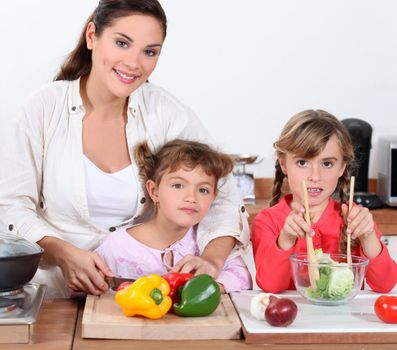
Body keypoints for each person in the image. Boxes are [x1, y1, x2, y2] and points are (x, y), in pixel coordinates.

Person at [0, 0, 249, 298]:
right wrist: (62, 252)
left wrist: (211, 259)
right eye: (122, 43)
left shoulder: (166, 113)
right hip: (54, 299)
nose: (134, 63)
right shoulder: (43, 109)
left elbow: (224, 196)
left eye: (149, 51)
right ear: (92, 36)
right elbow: (11, 206)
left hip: (144, 298)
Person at [251, 109, 397, 293]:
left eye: (327, 163)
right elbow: (270, 285)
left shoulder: (355, 216)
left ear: (342, 167)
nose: (315, 176)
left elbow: (386, 284)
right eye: (303, 163)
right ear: (283, 165)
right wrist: (287, 239)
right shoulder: (267, 221)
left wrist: (368, 237)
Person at [95, 140, 252, 293]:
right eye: (178, 185)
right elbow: (89, 286)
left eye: (203, 190)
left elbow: (242, 275)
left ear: (213, 197)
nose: (191, 197)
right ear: (154, 191)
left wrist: (207, 288)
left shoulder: (208, 241)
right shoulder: (117, 246)